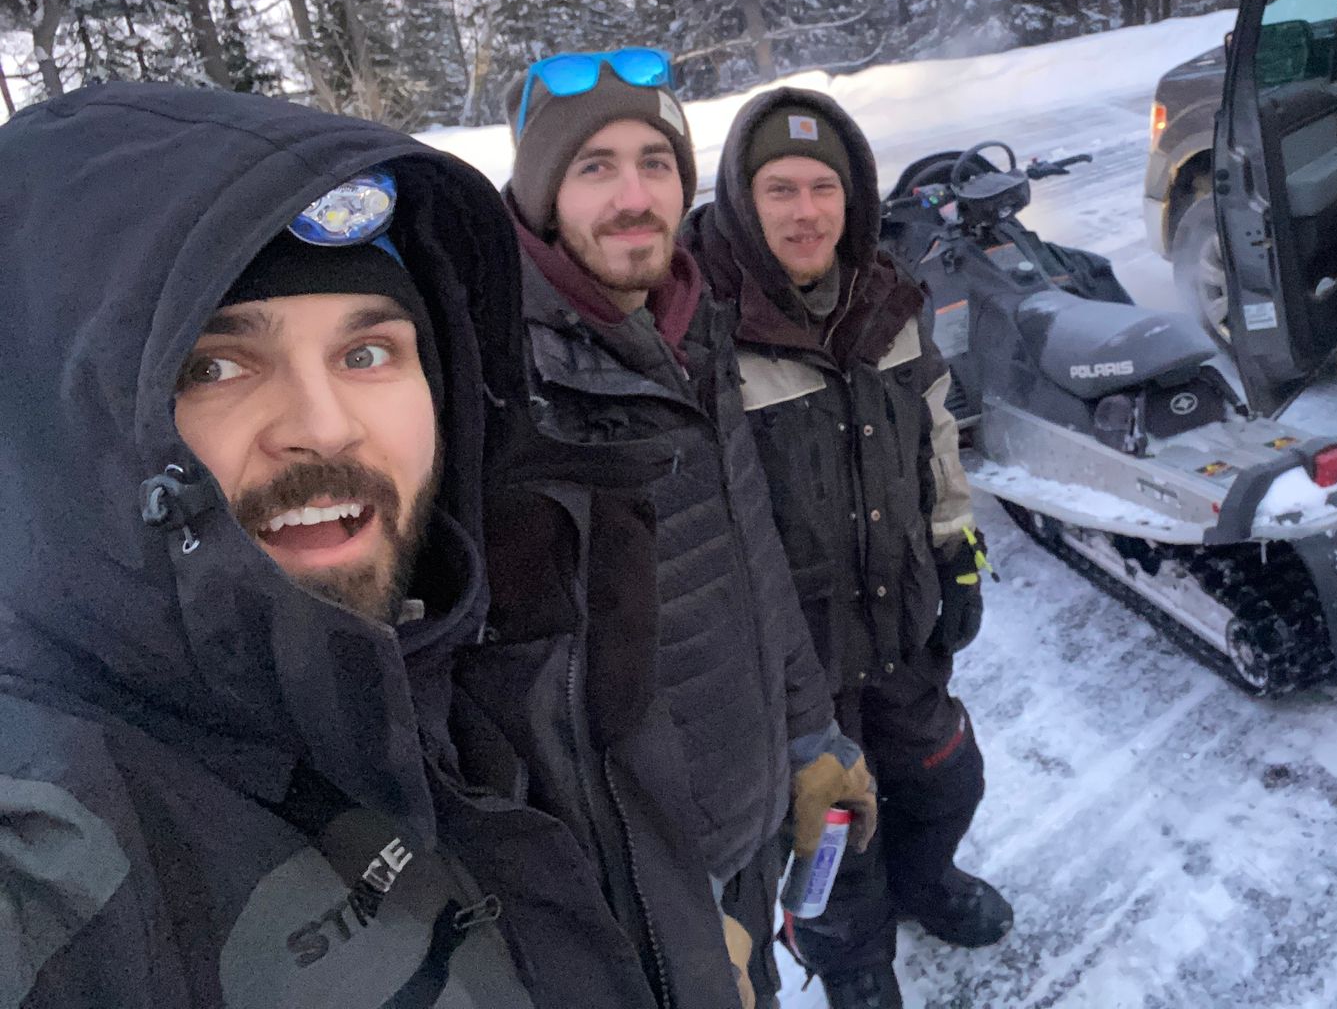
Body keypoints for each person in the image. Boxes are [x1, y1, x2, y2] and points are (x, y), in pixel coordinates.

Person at [0, 83, 676, 1006]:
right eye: (216, 366)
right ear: (65, 433)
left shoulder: (476, 648)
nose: (324, 428)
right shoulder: (57, 852)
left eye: (367, 354)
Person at [503, 53, 876, 1007]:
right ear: (543, 192)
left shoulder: (691, 324)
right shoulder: (505, 377)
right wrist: (648, 907)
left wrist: (810, 737)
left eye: (656, 163)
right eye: (595, 167)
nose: (635, 197)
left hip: (742, 822)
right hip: (648, 889)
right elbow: (512, 709)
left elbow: (751, 558)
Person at [683, 89, 1012, 1009]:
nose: (804, 211)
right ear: (744, 200)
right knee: (827, 832)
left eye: (822, 186)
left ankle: (927, 878)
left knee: (946, 777)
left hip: (900, 620)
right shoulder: (700, 325)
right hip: (793, 661)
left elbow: (935, 431)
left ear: (854, 195)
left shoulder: (889, 300)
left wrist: (957, 548)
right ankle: (850, 959)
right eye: (778, 189)